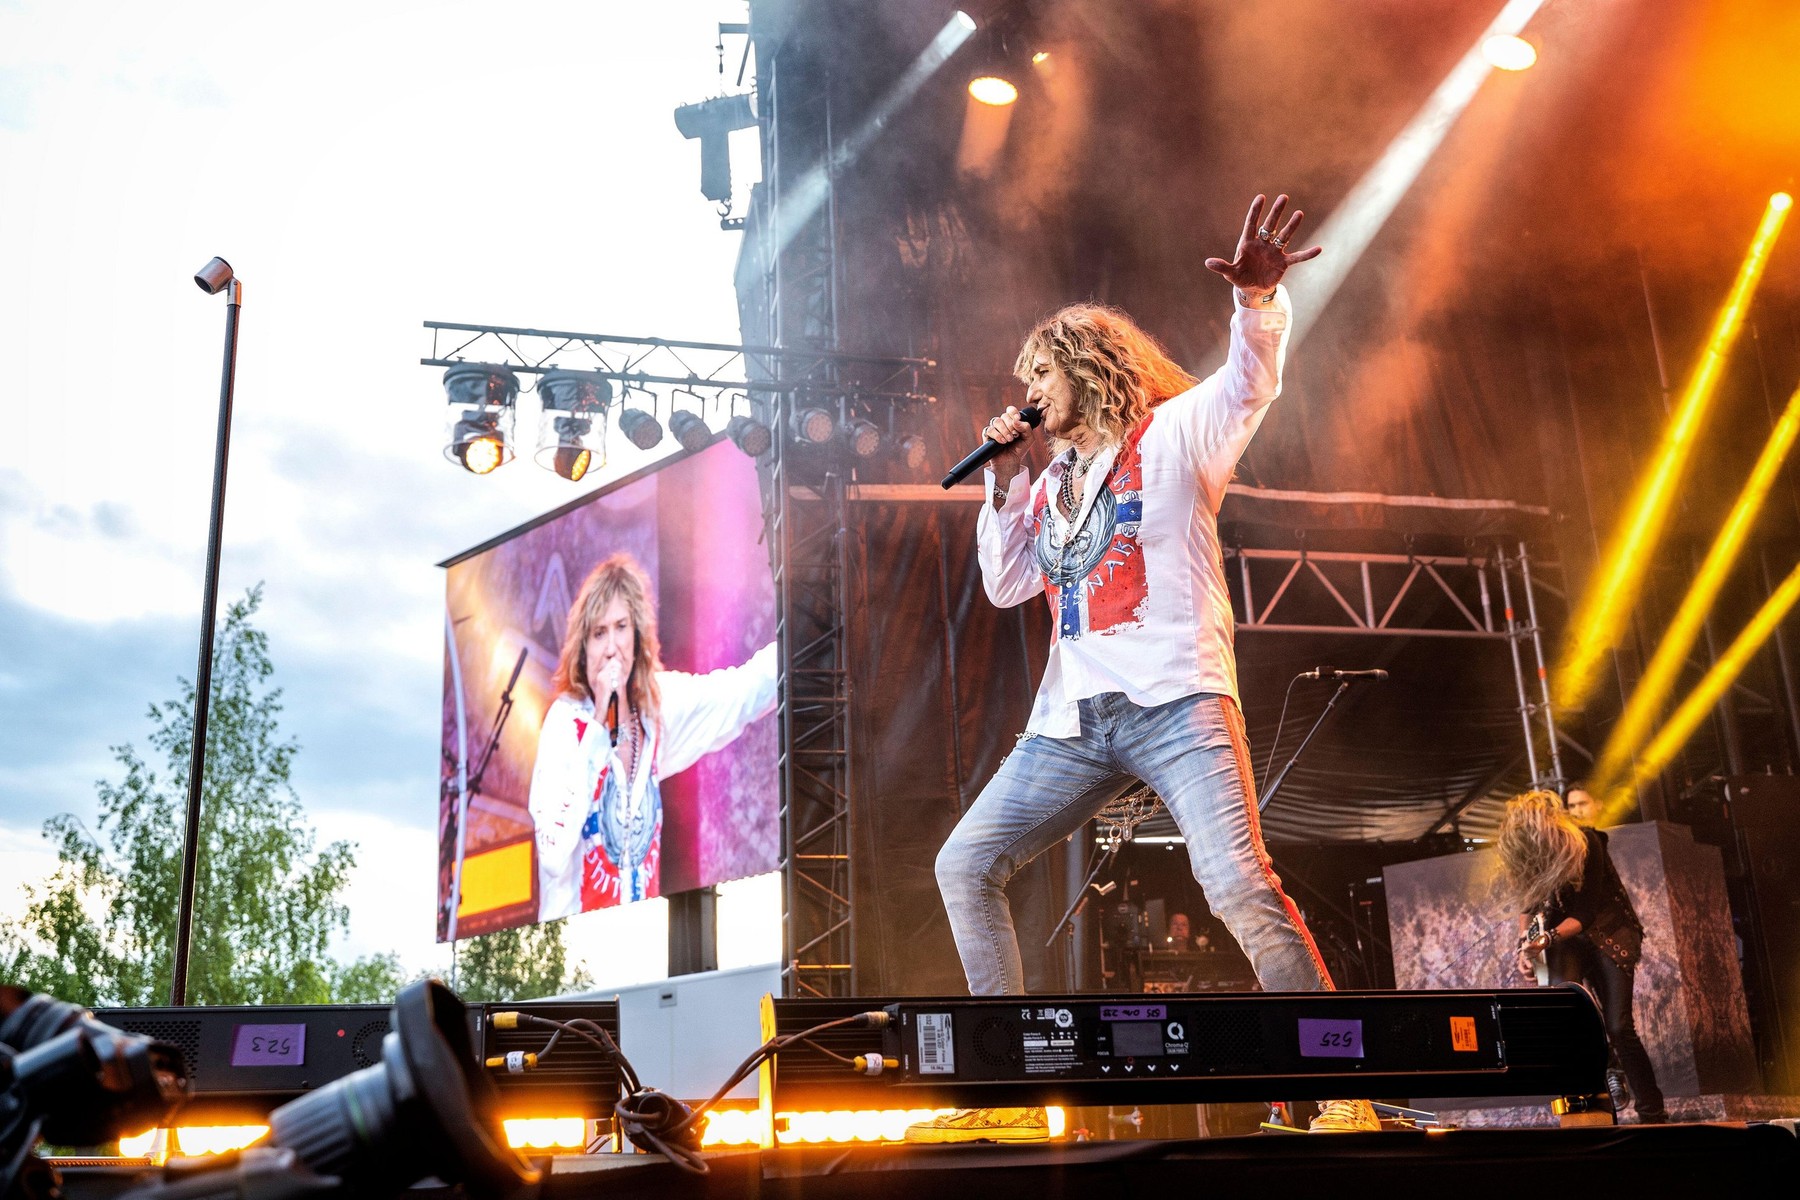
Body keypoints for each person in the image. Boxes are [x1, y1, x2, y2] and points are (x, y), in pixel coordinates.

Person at [910, 195, 1379, 1143]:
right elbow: (1007, 585)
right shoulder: (1048, 481)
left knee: (1237, 883)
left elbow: (1249, 385)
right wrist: (1004, 475)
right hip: (1073, 724)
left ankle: (1342, 1092)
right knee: (964, 863)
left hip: (1178, 701)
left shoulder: (1175, 435)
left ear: (1087, 365)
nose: (1028, 391)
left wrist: (1256, 300)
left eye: (1040, 372)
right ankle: (1008, 1101)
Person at [528, 553, 777, 921]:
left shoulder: (656, 708)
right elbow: (552, 854)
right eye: (599, 633)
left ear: (637, 634)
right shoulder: (565, 724)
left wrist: (806, 632)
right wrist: (598, 722)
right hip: (576, 939)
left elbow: (742, 693)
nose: (611, 647)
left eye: (621, 627)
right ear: (583, 648)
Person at [1499, 790, 1667, 1123]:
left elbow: (1586, 912)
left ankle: (1652, 1113)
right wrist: (1524, 947)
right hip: (1566, 940)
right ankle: (1602, 1084)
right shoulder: (1531, 856)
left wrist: (1545, 939)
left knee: (1619, 1026)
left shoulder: (1587, 841)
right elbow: (1527, 905)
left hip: (1609, 931)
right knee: (1567, 1015)